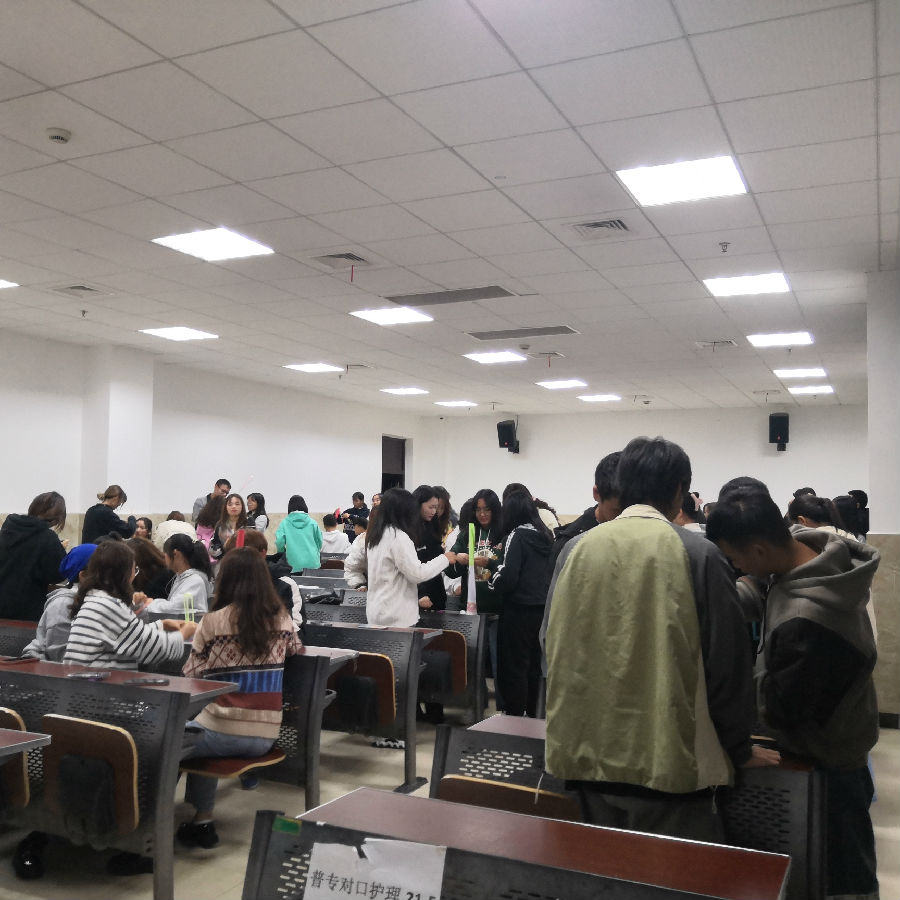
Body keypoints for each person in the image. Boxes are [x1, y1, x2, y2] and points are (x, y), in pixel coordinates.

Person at [545, 436, 779, 842]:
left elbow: (549, 647)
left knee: (596, 867)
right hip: (669, 767)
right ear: (678, 491)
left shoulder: (575, 550)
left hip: (583, 761)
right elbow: (727, 664)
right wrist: (738, 747)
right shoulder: (699, 554)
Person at [707, 488, 880, 899]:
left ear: (759, 549)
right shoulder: (814, 555)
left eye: (735, 559)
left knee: (841, 876)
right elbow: (769, 587)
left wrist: (732, 696)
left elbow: (785, 709)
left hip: (828, 761)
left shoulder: (808, 621)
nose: (736, 568)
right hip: (845, 740)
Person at [179, 548, 302, 849]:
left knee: (166, 741)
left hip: (222, 731)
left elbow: (191, 674)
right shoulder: (281, 618)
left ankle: (148, 826)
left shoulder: (213, 622)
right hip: (266, 733)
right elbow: (295, 649)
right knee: (197, 731)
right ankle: (201, 821)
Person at [64, 540, 195, 668]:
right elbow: (149, 648)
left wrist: (161, 624)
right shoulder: (109, 606)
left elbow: (129, 634)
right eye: (134, 569)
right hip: (97, 680)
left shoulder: (95, 599)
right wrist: (184, 633)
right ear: (123, 574)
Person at [486, 491, 552, 717]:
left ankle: (514, 718)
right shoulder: (546, 535)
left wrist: (492, 576)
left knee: (514, 668)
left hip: (518, 611)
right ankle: (533, 717)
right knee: (534, 667)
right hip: (542, 610)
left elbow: (508, 577)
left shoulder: (517, 535)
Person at [363, 488, 455, 628]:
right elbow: (417, 574)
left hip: (376, 612)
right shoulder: (398, 537)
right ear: (403, 511)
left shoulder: (376, 536)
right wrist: (445, 559)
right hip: (397, 616)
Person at [22, 543, 97, 661]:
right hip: (43, 667)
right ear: (83, 575)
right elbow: (60, 654)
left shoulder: (101, 601)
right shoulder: (63, 605)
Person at [0, 491, 68, 622]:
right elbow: (58, 575)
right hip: (26, 612)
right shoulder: (48, 538)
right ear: (56, 519)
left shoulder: (8, 528)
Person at [139, 533, 212, 616]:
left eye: (165, 554)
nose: (164, 558)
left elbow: (174, 608)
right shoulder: (183, 577)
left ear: (176, 554)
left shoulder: (195, 581)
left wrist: (151, 603)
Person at [411, 485, 448, 612]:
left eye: (436, 508)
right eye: (430, 507)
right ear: (418, 504)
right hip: (417, 597)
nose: (434, 512)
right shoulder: (408, 530)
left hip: (436, 593)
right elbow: (411, 567)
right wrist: (420, 593)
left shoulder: (432, 525)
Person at [275, 495, 323, 572]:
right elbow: (319, 541)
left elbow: (279, 541)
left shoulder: (284, 523)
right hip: (312, 562)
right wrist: (315, 552)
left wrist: (282, 553)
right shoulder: (313, 523)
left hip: (292, 563)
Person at [210, 493, 246, 560]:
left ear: (242, 506)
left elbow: (253, 544)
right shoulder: (220, 524)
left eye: (237, 504)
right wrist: (224, 547)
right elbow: (213, 549)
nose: (234, 506)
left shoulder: (248, 521)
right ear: (225, 507)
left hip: (245, 559)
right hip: (225, 560)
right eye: (230, 504)